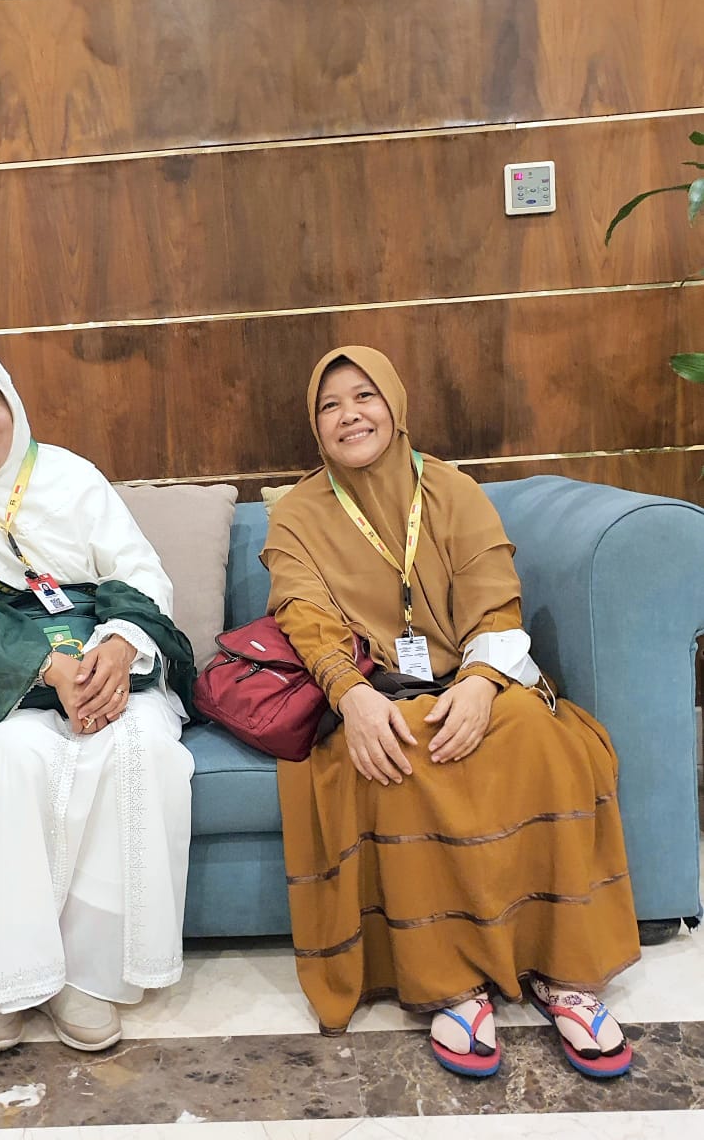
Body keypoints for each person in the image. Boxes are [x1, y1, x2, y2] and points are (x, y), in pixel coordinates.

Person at [261, 346, 640, 1078]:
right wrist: (352, 695)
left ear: (395, 405)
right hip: (372, 690)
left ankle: (562, 973)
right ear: (315, 425)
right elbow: (303, 615)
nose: (349, 415)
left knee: (537, 734)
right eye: (329, 405)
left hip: (470, 674)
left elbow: (494, 596)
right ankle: (453, 985)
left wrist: (480, 684)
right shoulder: (299, 515)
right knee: (398, 751)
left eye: (364, 396)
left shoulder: (451, 490)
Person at [0, 344, 195, 1054]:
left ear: (11, 403)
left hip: (102, 652)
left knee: (141, 744)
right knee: (13, 755)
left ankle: (90, 976)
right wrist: (48, 669)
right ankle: (7, 977)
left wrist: (118, 648)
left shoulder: (70, 477)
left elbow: (138, 572)